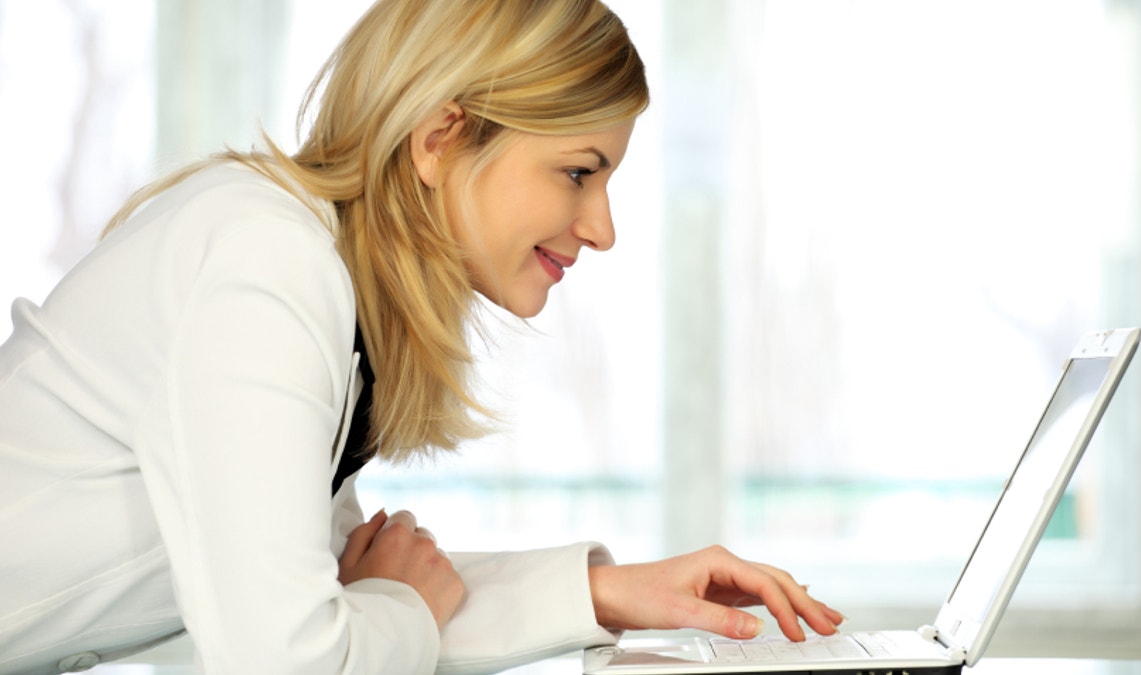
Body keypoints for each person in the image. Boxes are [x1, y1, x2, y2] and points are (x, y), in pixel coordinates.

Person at [0, 0, 844, 673]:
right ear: (441, 139)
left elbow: (355, 594)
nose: (604, 228)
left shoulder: (309, 271)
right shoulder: (266, 265)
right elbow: (293, 657)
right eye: (579, 172)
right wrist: (392, 605)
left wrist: (607, 591)